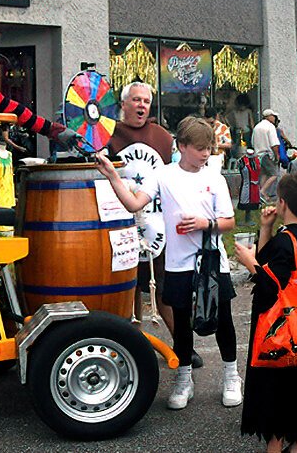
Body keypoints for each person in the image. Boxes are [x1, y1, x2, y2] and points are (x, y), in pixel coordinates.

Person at [95, 118, 240, 410]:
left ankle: (232, 376)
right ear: (182, 146)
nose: (205, 154)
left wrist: (204, 223)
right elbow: (134, 204)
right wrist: (113, 176)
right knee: (182, 322)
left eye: (209, 148)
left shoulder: (215, 177)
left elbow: (229, 221)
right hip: (178, 264)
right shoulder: (163, 175)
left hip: (212, 262)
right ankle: (184, 379)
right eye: (200, 148)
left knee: (223, 318)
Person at [233, 170, 297, 453]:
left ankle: (275, 445)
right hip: (296, 333)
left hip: (277, 335)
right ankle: (296, 446)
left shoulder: (287, 241)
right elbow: (273, 267)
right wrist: (266, 229)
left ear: (282, 202)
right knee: (295, 395)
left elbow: (270, 284)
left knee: (275, 398)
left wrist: (248, 262)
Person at [109, 81, 181, 362]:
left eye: (146, 101)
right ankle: (133, 348)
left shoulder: (163, 137)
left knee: (161, 287)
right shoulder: (107, 135)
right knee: (128, 288)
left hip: (157, 222)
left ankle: (183, 346)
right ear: (124, 104)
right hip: (119, 220)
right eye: (136, 100)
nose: (141, 105)